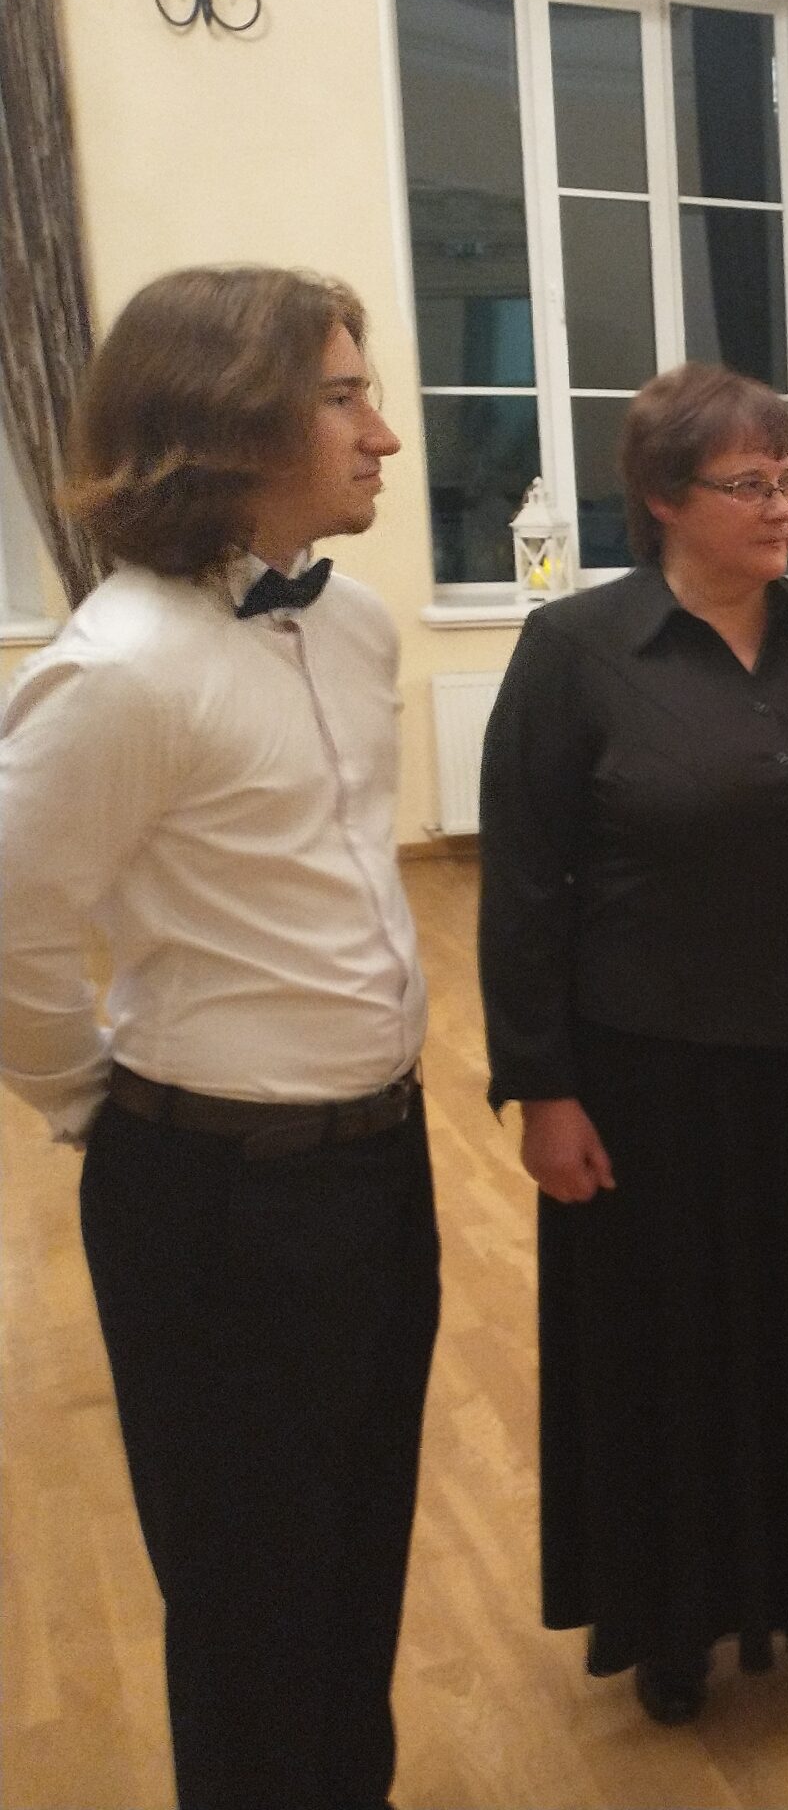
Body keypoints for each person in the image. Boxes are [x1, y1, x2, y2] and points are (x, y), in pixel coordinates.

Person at [475, 361, 788, 1727]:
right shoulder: (576, 654)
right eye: (748, 484)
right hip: (654, 1075)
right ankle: (673, 1613)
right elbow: (523, 892)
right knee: (675, 1354)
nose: (782, 506)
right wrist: (543, 1091)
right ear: (661, 497)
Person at [0, 266, 437, 1807]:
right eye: (343, 397)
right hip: (218, 1197)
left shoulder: (356, 627)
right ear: (228, 423)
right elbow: (9, 919)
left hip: (380, 1159)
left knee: (361, 1549)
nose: (384, 434)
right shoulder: (121, 667)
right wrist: (91, 1104)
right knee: (249, 1593)